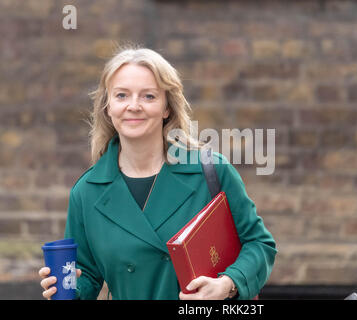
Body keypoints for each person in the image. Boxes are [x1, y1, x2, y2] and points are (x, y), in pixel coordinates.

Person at [39, 47, 277, 300]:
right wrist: (65, 289)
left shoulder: (211, 170)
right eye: (121, 95)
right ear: (108, 107)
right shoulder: (87, 191)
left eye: (149, 96)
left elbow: (259, 244)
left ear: (167, 108)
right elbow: (86, 275)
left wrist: (229, 283)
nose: (133, 106)